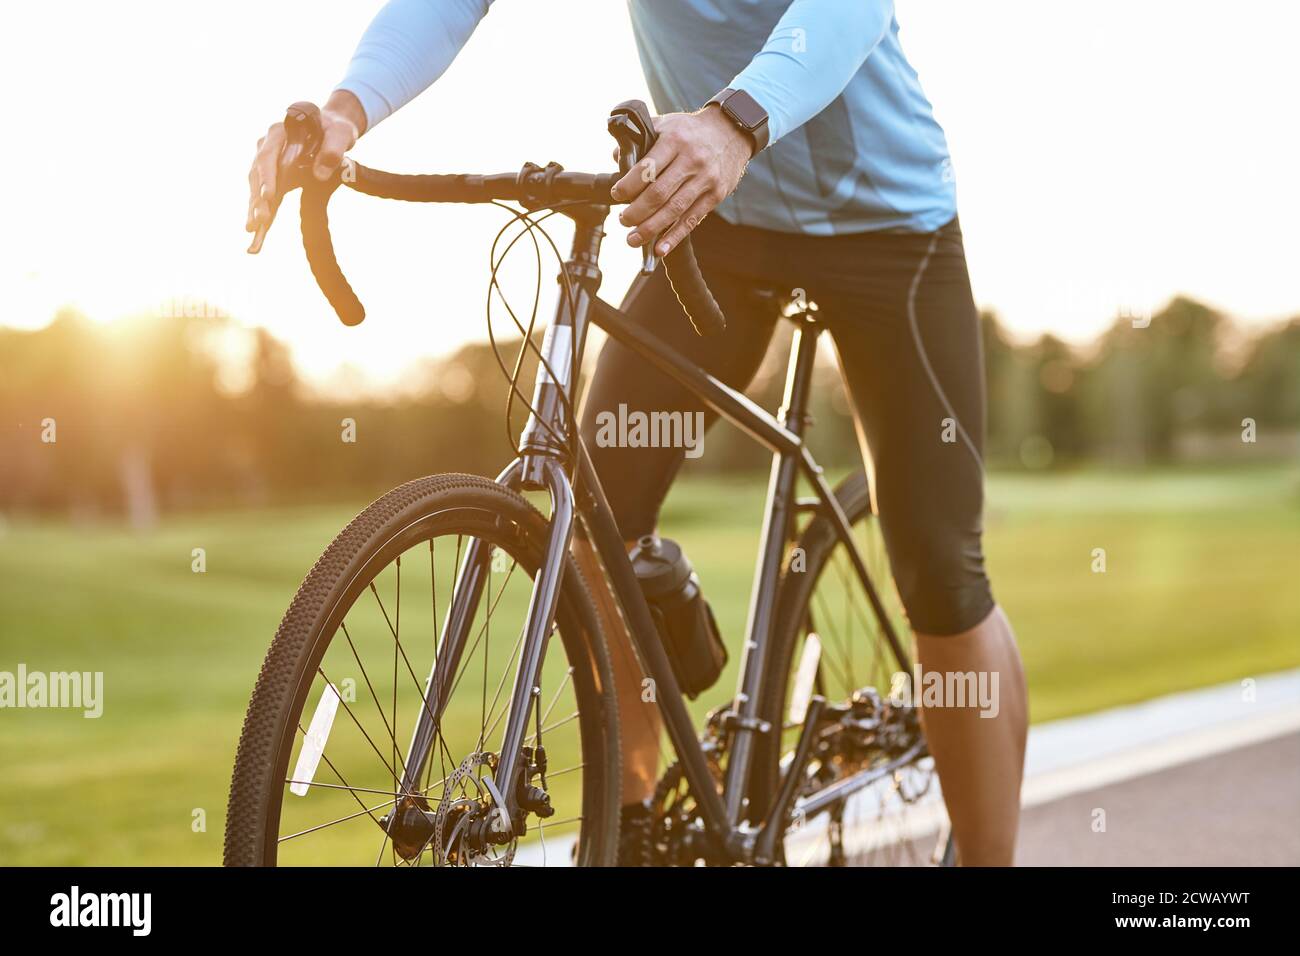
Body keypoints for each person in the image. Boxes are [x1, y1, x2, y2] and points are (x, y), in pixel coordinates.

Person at [246, 0, 1028, 866]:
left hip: (886, 229)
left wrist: (736, 119)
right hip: (722, 226)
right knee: (597, 520)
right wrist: (348, 110)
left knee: (941, 569)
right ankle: (637, 823)